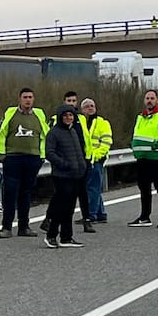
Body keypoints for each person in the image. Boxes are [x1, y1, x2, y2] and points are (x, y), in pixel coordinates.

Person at [0, 88, 48, 238]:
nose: (28, 100)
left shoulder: (39, 115)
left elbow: (44, 136)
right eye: (25, 97)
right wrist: (2, 156)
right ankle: (6, 227)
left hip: (32, 159)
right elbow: (1, 135)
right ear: (19, 99)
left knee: (26, 193)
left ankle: (24, 227)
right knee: (10, 193)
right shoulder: (11, 114)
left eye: (30, 97)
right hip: (13, 158)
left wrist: (41, 157)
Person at [127, 90, 158, 229]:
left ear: (157, 100)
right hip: (142, 158)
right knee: (144, 188)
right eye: (147, 98)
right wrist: (134, 146)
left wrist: (155, 146)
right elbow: (137, 134)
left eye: (152, 98)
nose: (149, 100)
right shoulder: (140, 117)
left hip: (156, 158)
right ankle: (144, 217)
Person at [43, 104, 87, 248]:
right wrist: (64, 164)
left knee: (70, 208)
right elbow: (49, 153)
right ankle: (51, 235)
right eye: (65, 115)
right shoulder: (54, 133)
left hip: (75, 174)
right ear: (60, 117)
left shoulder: (73, 131)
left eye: (71, 115)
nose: (68, 118)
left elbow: (78, 151)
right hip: (61, 175)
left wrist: (82, 166)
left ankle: (66, 237)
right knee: (61, 207)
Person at [61, 91, 93, 231]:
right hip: (67, 162)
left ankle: (87, 220)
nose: (72, 103)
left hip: (81, 161)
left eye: (74, 100)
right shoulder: (58, 119)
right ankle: (53, 219)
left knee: (83, 192)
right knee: (64, 194)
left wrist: (88, 157)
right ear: (64, 102)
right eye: (69, 100)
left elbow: (86, 139)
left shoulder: (81, 118)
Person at [81, 98, 112, 223]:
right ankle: (100, 213)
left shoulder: (102, 123)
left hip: (96, 160)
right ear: (82, 109)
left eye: (92, 105)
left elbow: (106, 142)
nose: (90, 108)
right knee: (94, 187)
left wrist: (96, 156)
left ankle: (91, 215)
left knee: (92, 188)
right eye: (87, 106)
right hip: (84, 160)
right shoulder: (81, 122)